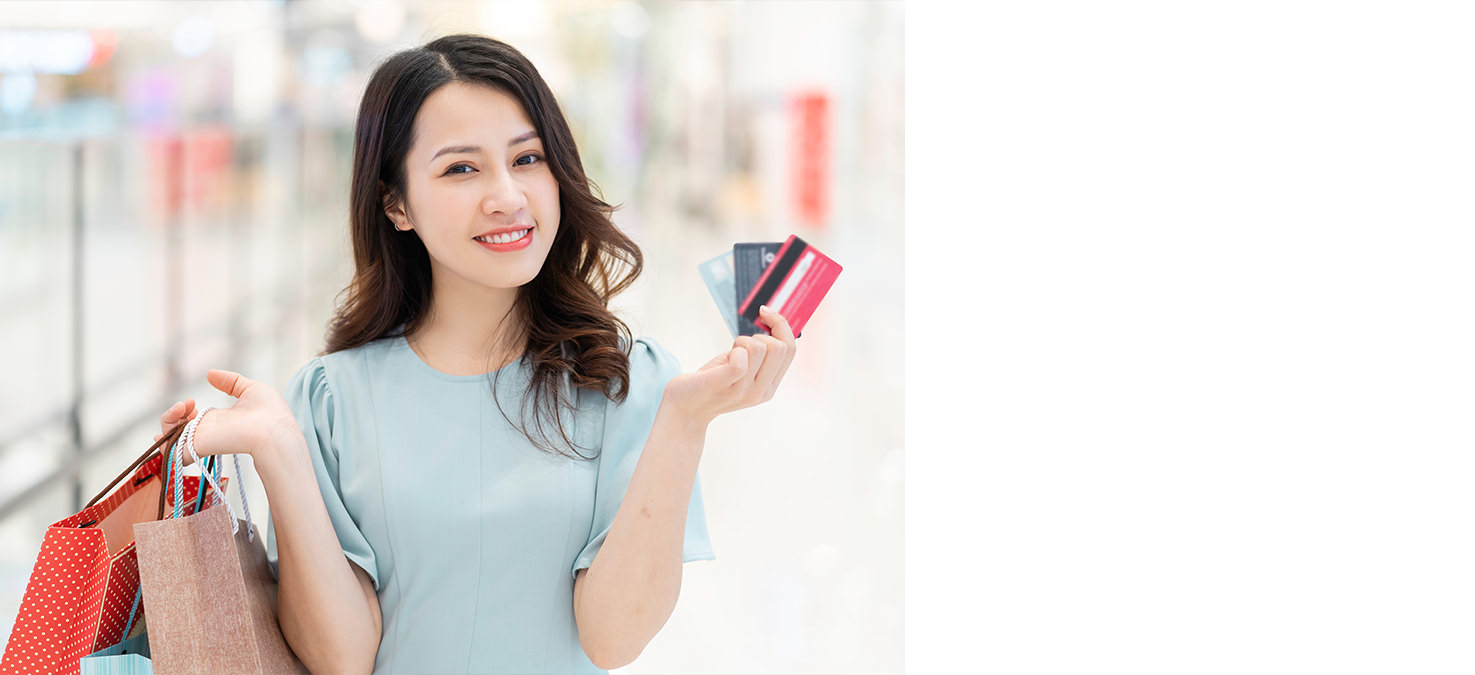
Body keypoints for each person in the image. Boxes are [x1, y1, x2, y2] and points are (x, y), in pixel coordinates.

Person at [150, 33, 796, 674]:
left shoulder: (627, 379)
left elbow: (614, 638)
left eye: (527, 158)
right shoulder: (330, 396)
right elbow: (341, 657)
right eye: (461, 167)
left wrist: (684, 420)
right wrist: (279, 454)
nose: (507, 197)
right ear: (396, 202)